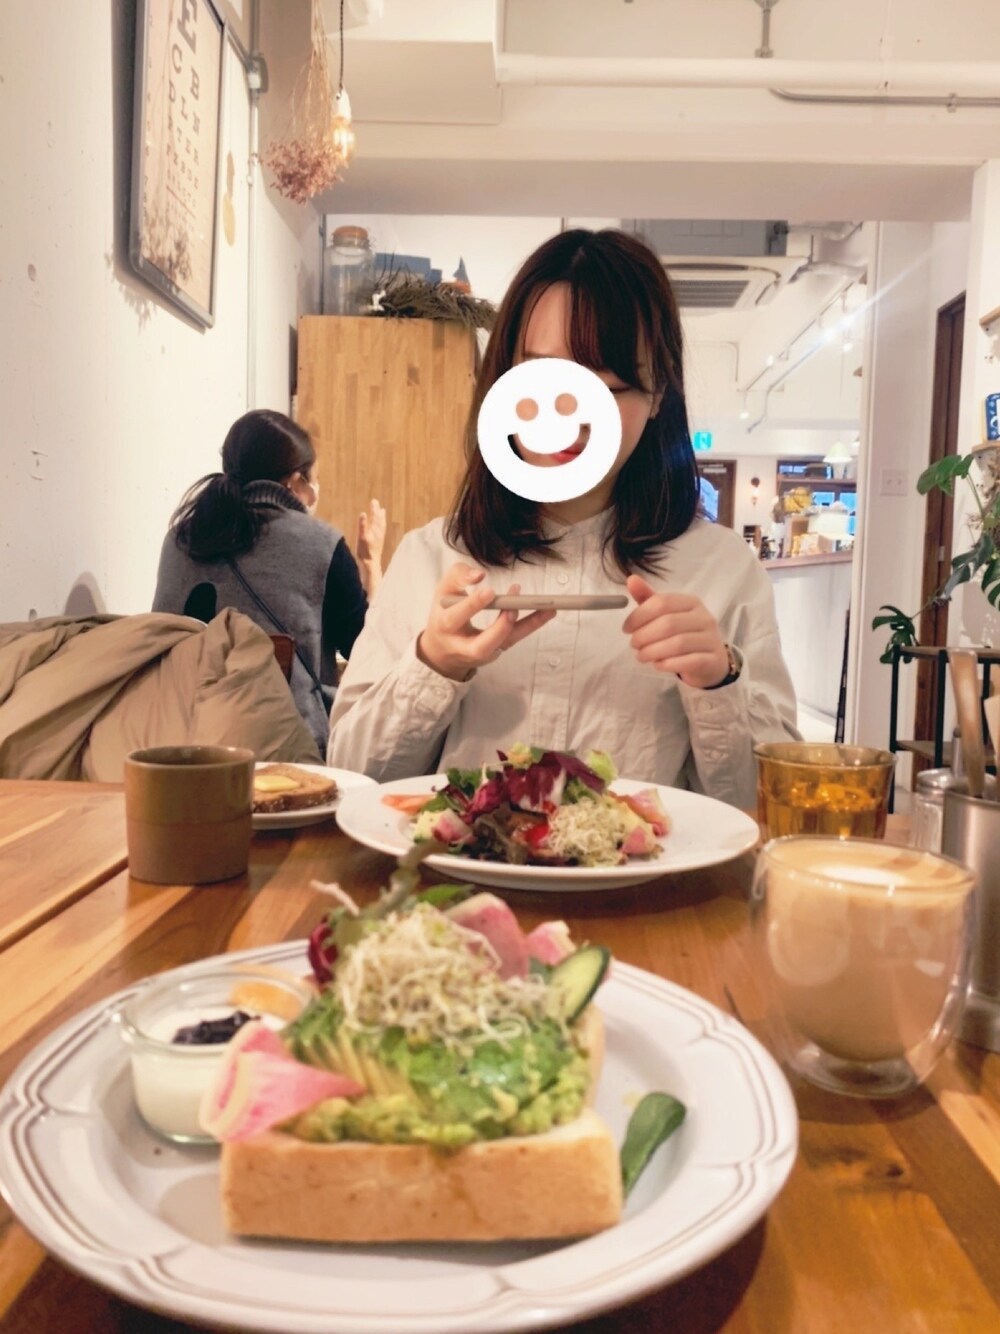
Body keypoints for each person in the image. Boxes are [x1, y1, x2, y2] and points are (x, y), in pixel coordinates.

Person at [327, 229, 798, 808]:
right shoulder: (432, 556)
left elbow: (766, 805)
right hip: (455, 866)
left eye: (607, 385)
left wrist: (717, 682)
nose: (568, 416)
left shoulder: (722, 571)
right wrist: (433, 664)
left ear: (657, 395)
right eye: (543, 377)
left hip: (645, 869)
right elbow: (352, 777)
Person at [153, 409, 385, 751]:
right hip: (289, 745)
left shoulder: (180, 539)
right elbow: (367, 651)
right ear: (295, 481)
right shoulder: (321, 543)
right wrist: (372, 563)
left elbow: (161, 638)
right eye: (314, 478)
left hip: (184, 740)